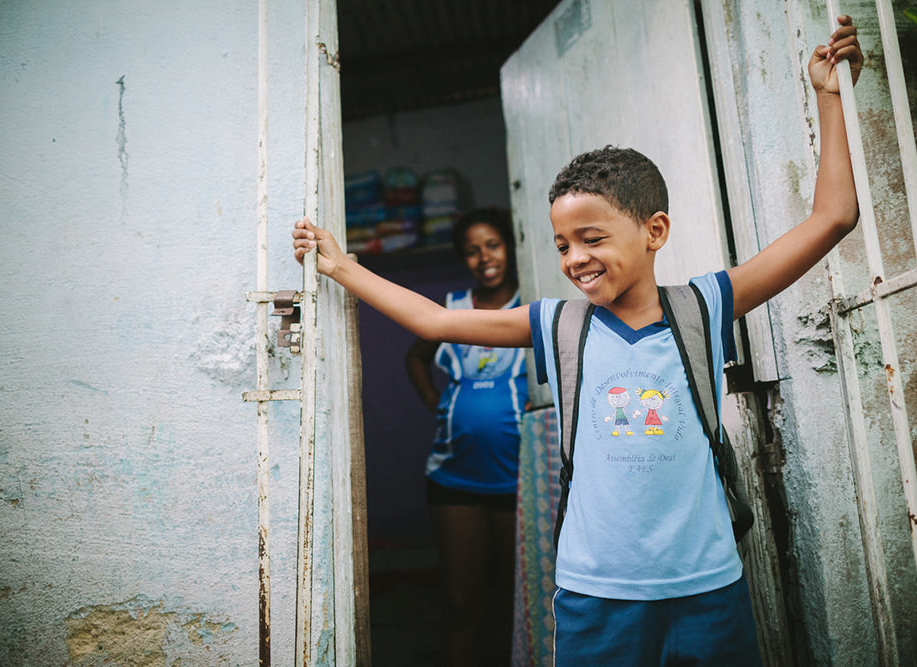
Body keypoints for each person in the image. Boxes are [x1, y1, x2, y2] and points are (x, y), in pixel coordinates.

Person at [293, 16, 862, 665]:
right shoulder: (556, 323)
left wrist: (829, 96)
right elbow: (435, 322)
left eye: (593, 238)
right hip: (595, 595)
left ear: (655, 229)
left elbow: (833, 216)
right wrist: (342, 266)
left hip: (707, 587)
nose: (574, 258)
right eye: (563, 244)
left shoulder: (703, 304)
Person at [404, 208, 526, 666]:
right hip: (454, 477)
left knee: (517, 599)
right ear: (462, 259)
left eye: (492, 245)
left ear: (510, 248)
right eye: (472, 250)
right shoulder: (451, 309)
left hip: (518, 478)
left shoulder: (532, 306)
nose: (484, 257)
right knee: (461, 600)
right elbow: (416, 358)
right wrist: (437, 403)